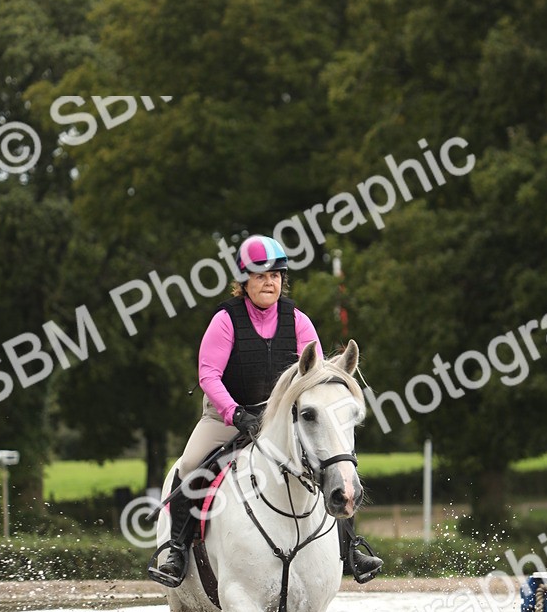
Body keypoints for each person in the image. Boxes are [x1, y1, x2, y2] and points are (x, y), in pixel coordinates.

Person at [149, 233, 382, 586]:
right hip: (228, 415)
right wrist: (235, 414)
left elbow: (316, 377)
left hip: (283, 418)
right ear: (244, 282)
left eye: (275, 276)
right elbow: (208, 375)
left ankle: (350, 549)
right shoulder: (225, 320)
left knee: (332, 461)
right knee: (191, 464)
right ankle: (177, 550)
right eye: (260, 276)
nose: (269, 283)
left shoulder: (298, 321)